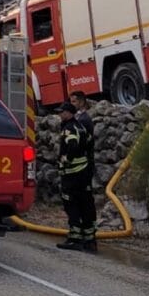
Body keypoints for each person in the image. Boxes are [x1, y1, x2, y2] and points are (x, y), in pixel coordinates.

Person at [55, 101, 97, 253]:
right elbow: (89, 144)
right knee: (86, 205)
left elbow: (72, 145)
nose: (60, 115)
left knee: (71, 204)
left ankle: (75, 238)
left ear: (68, 113)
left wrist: (66, 159)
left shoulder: (69, 128)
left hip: (72, 174)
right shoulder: (81, 127)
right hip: (84, 173)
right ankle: (89, 240)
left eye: (62, 112)